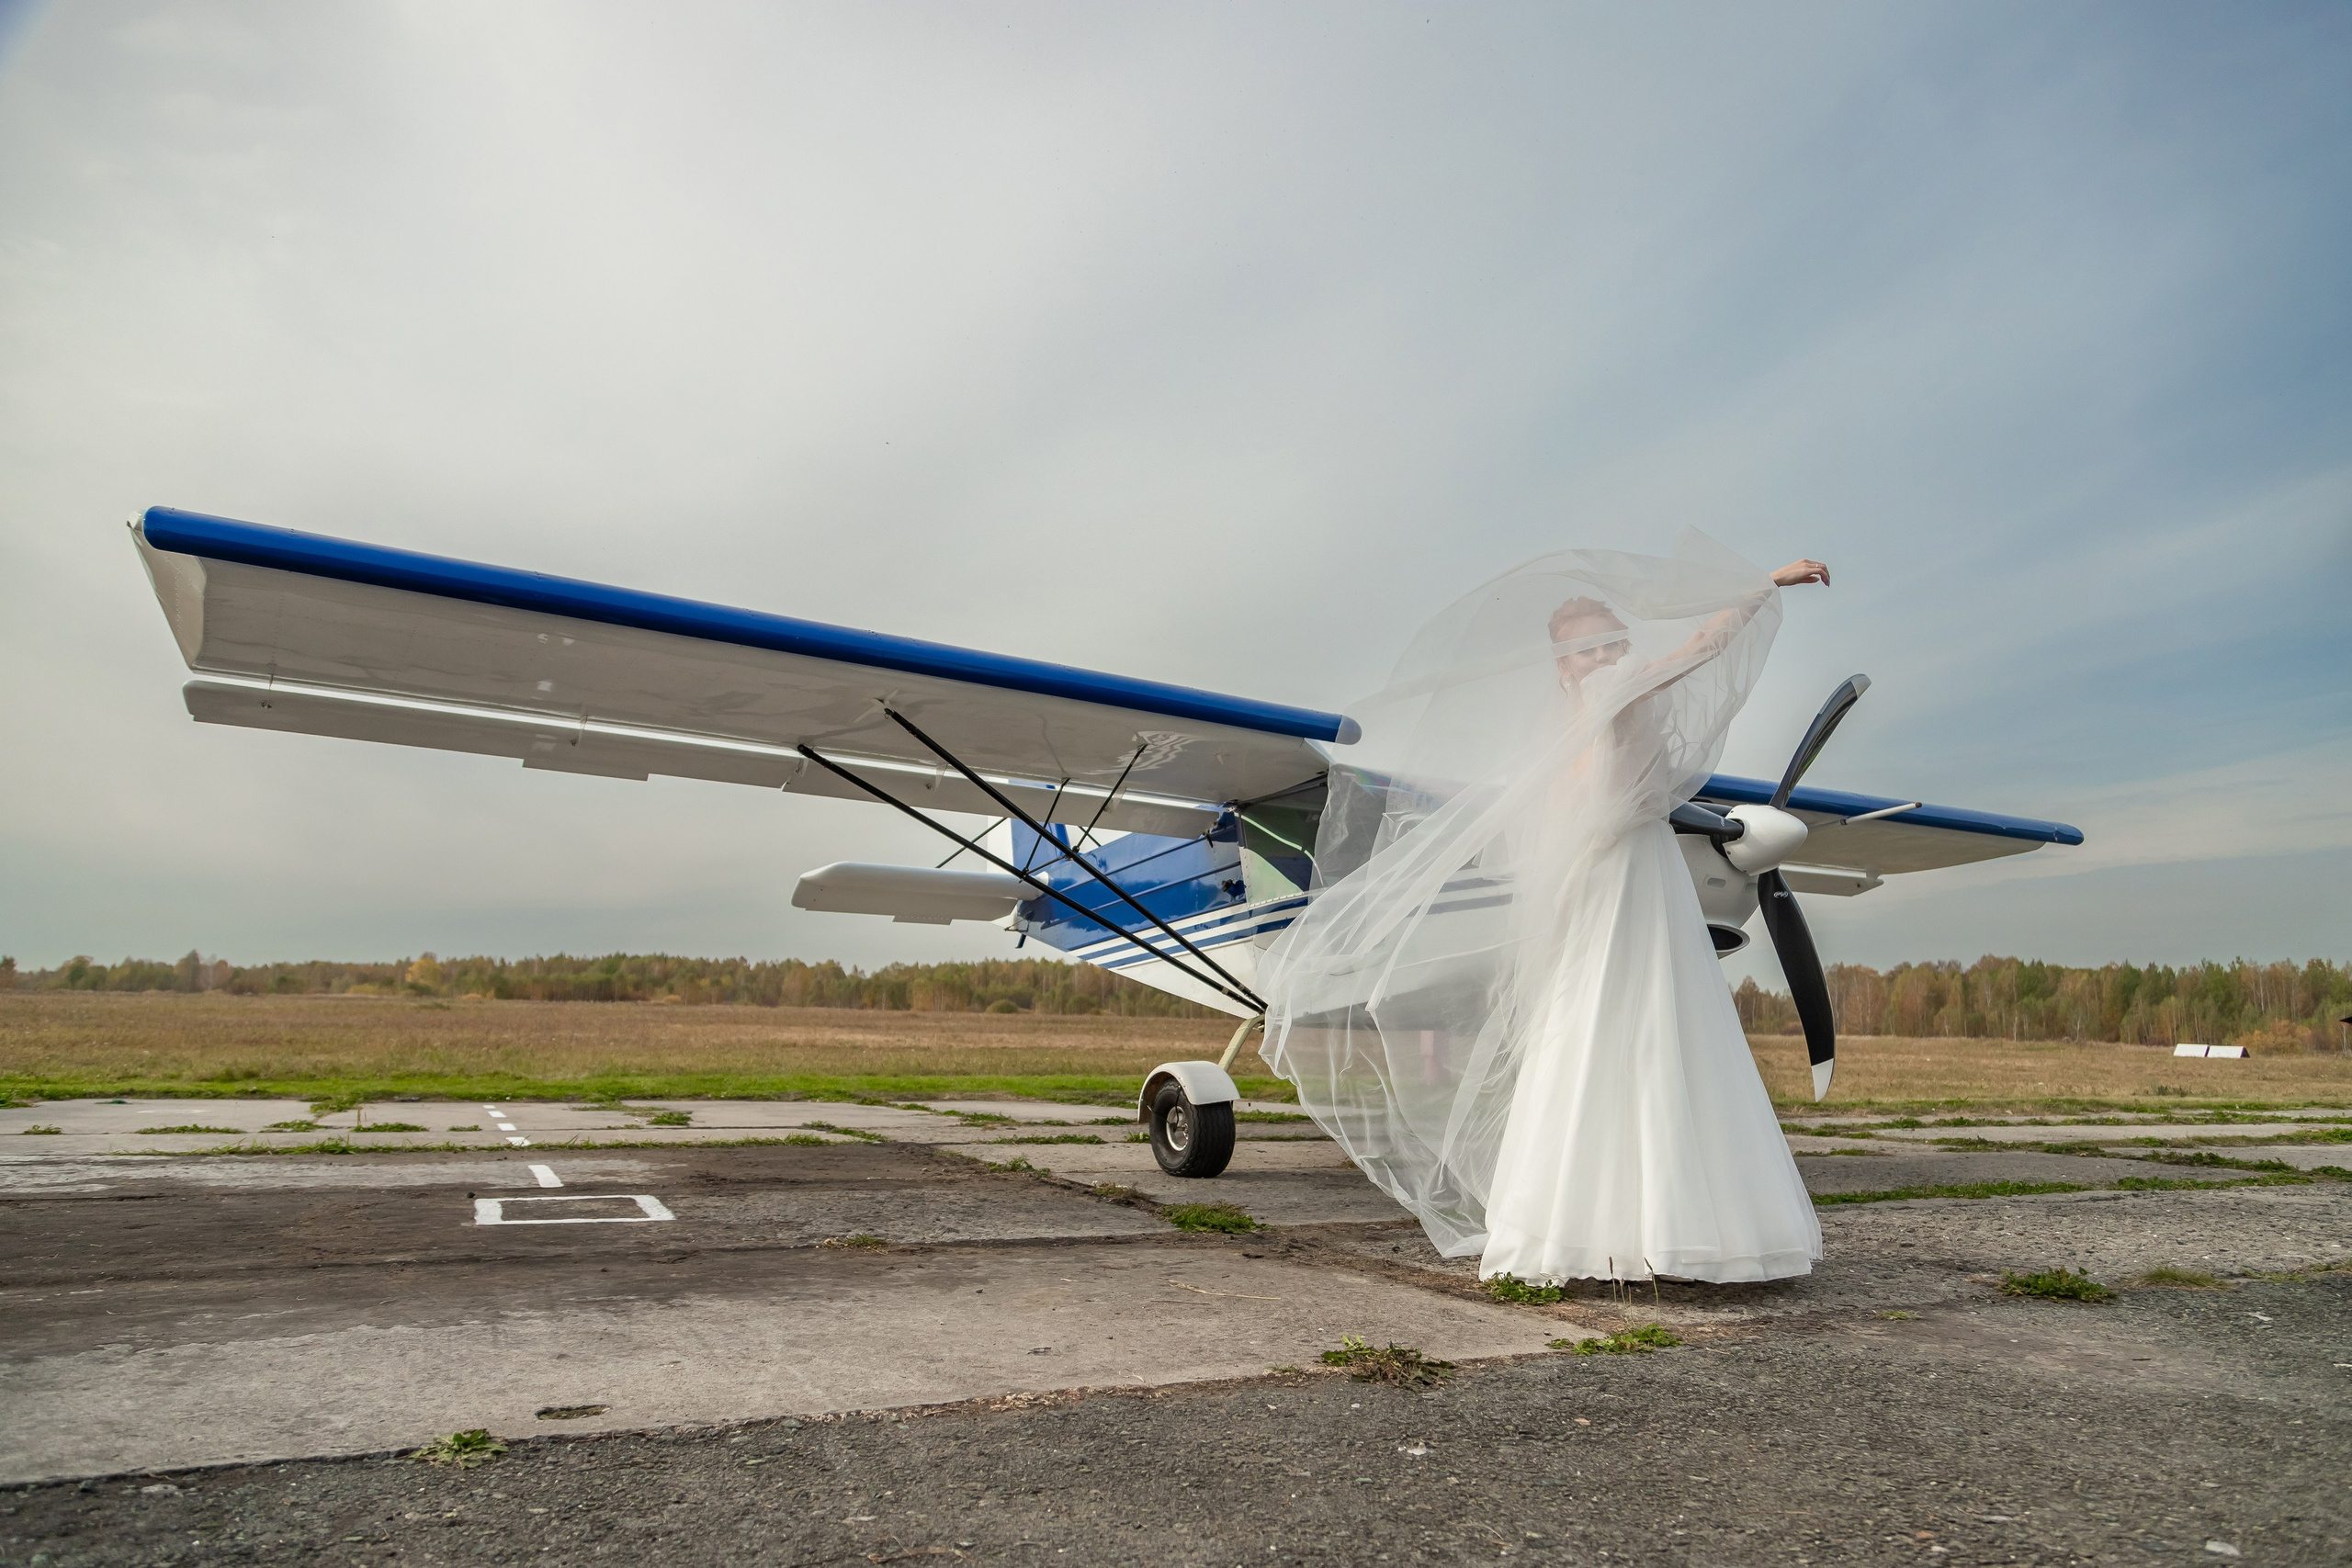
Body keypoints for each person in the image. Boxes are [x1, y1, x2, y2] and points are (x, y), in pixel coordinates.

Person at [1259, 536, 1831, 1284]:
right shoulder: (1613, 690)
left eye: (1606, 639)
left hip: (1618, 872)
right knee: (1652, 1023)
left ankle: (1575, 1227)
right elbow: (1701, 646)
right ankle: (1676, 1225)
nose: (1602, 654)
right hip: (1632, 870)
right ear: (1567, 665)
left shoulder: (1571, 723)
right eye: (1584, 646)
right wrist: (1767, 583)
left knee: (1605, 1025)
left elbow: (1573, 806)